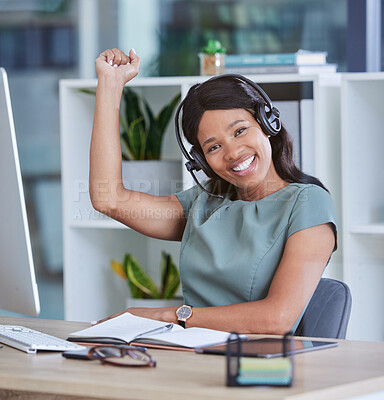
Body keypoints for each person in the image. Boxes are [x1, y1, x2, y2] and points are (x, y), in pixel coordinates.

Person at [89, 48, 337, 334]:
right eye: (214, 147)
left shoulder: (308, 203)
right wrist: (110, 85)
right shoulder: (204, 202)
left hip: (253, 365)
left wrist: (167, 315)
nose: (233, 152)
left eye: (240, 130)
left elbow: (276, 319)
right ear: (201, 161)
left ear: (268, 124)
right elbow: (108, 199)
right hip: (187, 353)